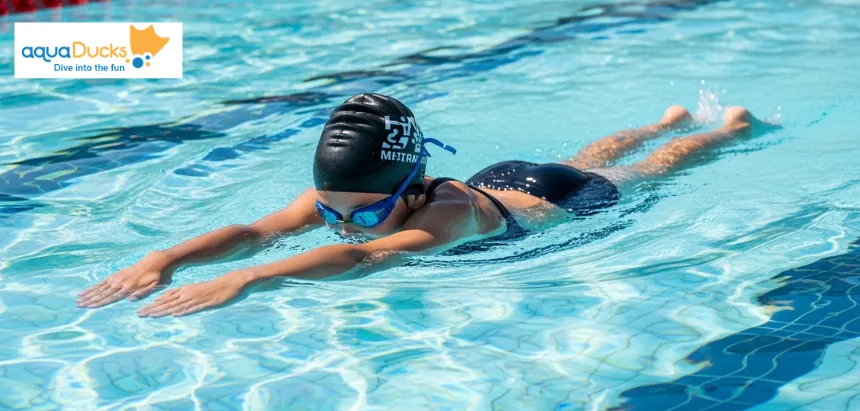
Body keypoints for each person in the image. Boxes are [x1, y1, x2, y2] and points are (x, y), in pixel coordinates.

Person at [77, 93, 774, 317]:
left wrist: (251, 277)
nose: (345, 220)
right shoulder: (352, 197)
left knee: (639, 171)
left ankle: (719, 129)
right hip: (503, 174)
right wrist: (166, 257)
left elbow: (361, 257)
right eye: (330, 207)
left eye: (364, 211)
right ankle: (663, 114)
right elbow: (253, 230)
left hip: (558, 200)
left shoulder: (446, 216)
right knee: (595, 146)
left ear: (409, 190)